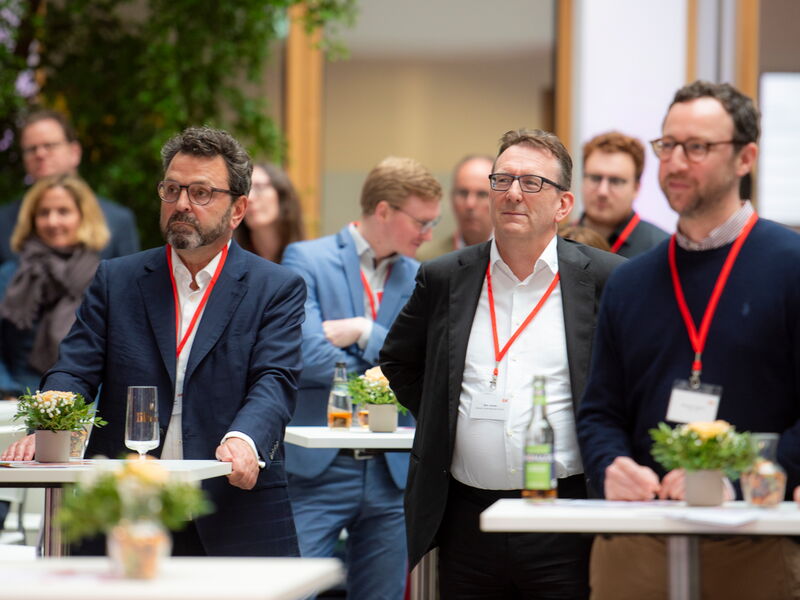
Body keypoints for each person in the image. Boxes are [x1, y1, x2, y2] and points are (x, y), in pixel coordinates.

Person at [1, 126, 306, 557]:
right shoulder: (118, 279)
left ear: (238, 209)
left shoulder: (275, 287)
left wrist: (245, 439)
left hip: (230, 504)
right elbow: (74, 368)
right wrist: (50, 425)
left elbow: (274, 379)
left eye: (201, 192)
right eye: (172, 189)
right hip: (124, 505)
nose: (181, 204)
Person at [577, 81, 800, 598]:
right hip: (638, 541)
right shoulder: (630, 281)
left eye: (696, 147)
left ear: (745, 158)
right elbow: (599, 411)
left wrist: (742, 483)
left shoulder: (790, 267)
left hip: (755, 539)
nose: (675, 162)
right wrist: (610, 464)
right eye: (668, 145)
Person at [380, 129, 625, 599]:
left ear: (563, 204)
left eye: (531, 182)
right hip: (466, 519)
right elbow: (398, 358)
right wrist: (443, 415)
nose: (513, 193)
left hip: (566, 516)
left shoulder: (605, 279)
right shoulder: (444, 277)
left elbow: (632, 381)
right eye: (502, 180)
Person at [282, 156, 442, 600]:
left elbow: (427, 365)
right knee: (293, 591)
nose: (429, 235)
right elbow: (307, 354)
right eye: (422, 222)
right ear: (384, 210)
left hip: (392, 473)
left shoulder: (422, 276)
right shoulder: (306, 259)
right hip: (320, 467)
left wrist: (365, 331)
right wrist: (389, 372)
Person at [0, 175, 109, 398]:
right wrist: (7, 391)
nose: (52, 222)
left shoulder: (106, 276)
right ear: (32, 219)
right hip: (20, 399)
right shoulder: (11, 275)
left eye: (63, 211)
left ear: (83, 216)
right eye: (43, 213)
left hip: (89, 401)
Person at [0, 110, 139, 263]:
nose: (40, 154)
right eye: (31, 149)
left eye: (49, 145)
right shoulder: (4, 222)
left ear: (75, 152)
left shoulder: (117, 220)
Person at [578, 131, 668, 257]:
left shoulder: (661, 250)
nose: (602, 191)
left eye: (616, 181)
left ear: (636, 188)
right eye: (595, 178)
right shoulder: (557, 240)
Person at [417, 155, 493, 261]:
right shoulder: (425, 260)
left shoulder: (513, 259)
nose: (470, 204)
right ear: (451, 198)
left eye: (482, 194)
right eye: (463, 193)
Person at [234, 162, 304, 263]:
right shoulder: (233, 258)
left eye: (259, 187)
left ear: (282, 195)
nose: (250, 198)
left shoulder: (305, 259)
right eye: (246, 191)